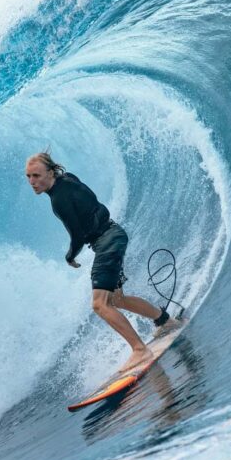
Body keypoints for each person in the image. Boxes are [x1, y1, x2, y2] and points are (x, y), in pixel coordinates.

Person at [25, 151, 178, 372]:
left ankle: (139, 350)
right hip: (113, 235)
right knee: (117, 298)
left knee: (99, 304)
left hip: (107, 242)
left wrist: (70, 256)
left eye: (36, 175)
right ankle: (165, 321)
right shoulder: (68, 179)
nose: (32, 182)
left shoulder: (58, 199)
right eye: (28, 176)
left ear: (50, 172)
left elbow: (77, 234)